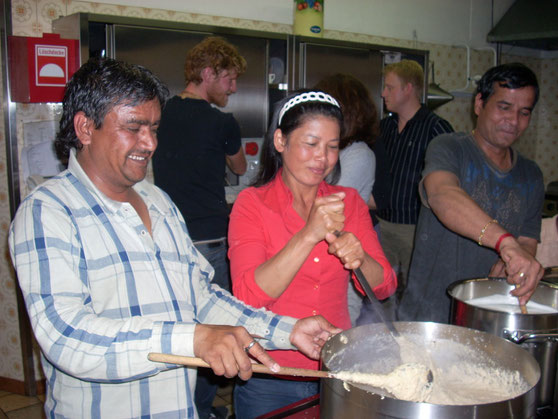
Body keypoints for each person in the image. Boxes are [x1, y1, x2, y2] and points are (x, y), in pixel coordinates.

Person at [8, 58, 341, 419]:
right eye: (134, 128)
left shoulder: (158, 201)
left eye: (153, 128)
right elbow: (67, 338)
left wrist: (286, 330)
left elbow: (199, 295)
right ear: (85, 128)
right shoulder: (48, 212)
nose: (150, 143)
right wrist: (194, 339)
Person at [228, 90, 396, 418]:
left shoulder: (348, 202)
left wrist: (360, 257)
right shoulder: (252, 204)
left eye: (332, 147)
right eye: (311, 143)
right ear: (280, 140)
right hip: (269, 371)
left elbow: (385, 286)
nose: (322, 158)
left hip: (337, 371)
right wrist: (309, 234)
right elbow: (247, 296)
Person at [399, 62, 545, 323]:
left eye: (524, 112)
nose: (513, 121)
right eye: (504, 107)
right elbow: (443, 196)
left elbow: (527, 241)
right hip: (431, 313)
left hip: (491, 317)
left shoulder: (531, 174)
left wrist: (515, 259)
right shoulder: (449, 147)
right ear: (479, 104)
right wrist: (506, 243)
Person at [151, 36, 248, 417]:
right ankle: (202, 410)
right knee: (212, 329)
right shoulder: (222, 121)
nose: (234, 87)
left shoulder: (161, 113)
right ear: (207, 74)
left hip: (170, 239)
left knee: (181, 327)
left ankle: (177, 407)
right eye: (229, 79)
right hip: (209, 240)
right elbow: (239, 168)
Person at [373, 59, 454, 300]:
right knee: (380, 294)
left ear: (408, 88)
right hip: (381, 225)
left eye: (389, 87)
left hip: (416, 229)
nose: (383, 93)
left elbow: (450, 183)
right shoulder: (383, 127)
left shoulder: (437, 129)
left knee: (416, 294)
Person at [314, 73, 380, 325]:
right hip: (325, 252)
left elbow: (328, 203)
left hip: (344, 260)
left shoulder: (359, 154)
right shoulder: (339, 151)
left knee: (337, 328)